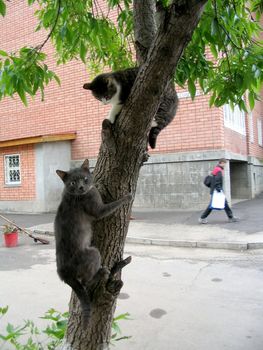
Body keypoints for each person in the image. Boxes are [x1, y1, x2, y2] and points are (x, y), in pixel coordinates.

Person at [199, 158, 238, 224]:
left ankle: (231, 217)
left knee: (225, 204)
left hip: (215, 190)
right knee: (212, 205)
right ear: (222, 163)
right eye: (225, 163)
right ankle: (202, 218)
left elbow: (214, 180)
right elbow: (217, 181)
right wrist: (219, 190)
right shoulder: (219, 170)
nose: (225, 165)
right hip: (217, 191)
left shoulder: (216, 169)